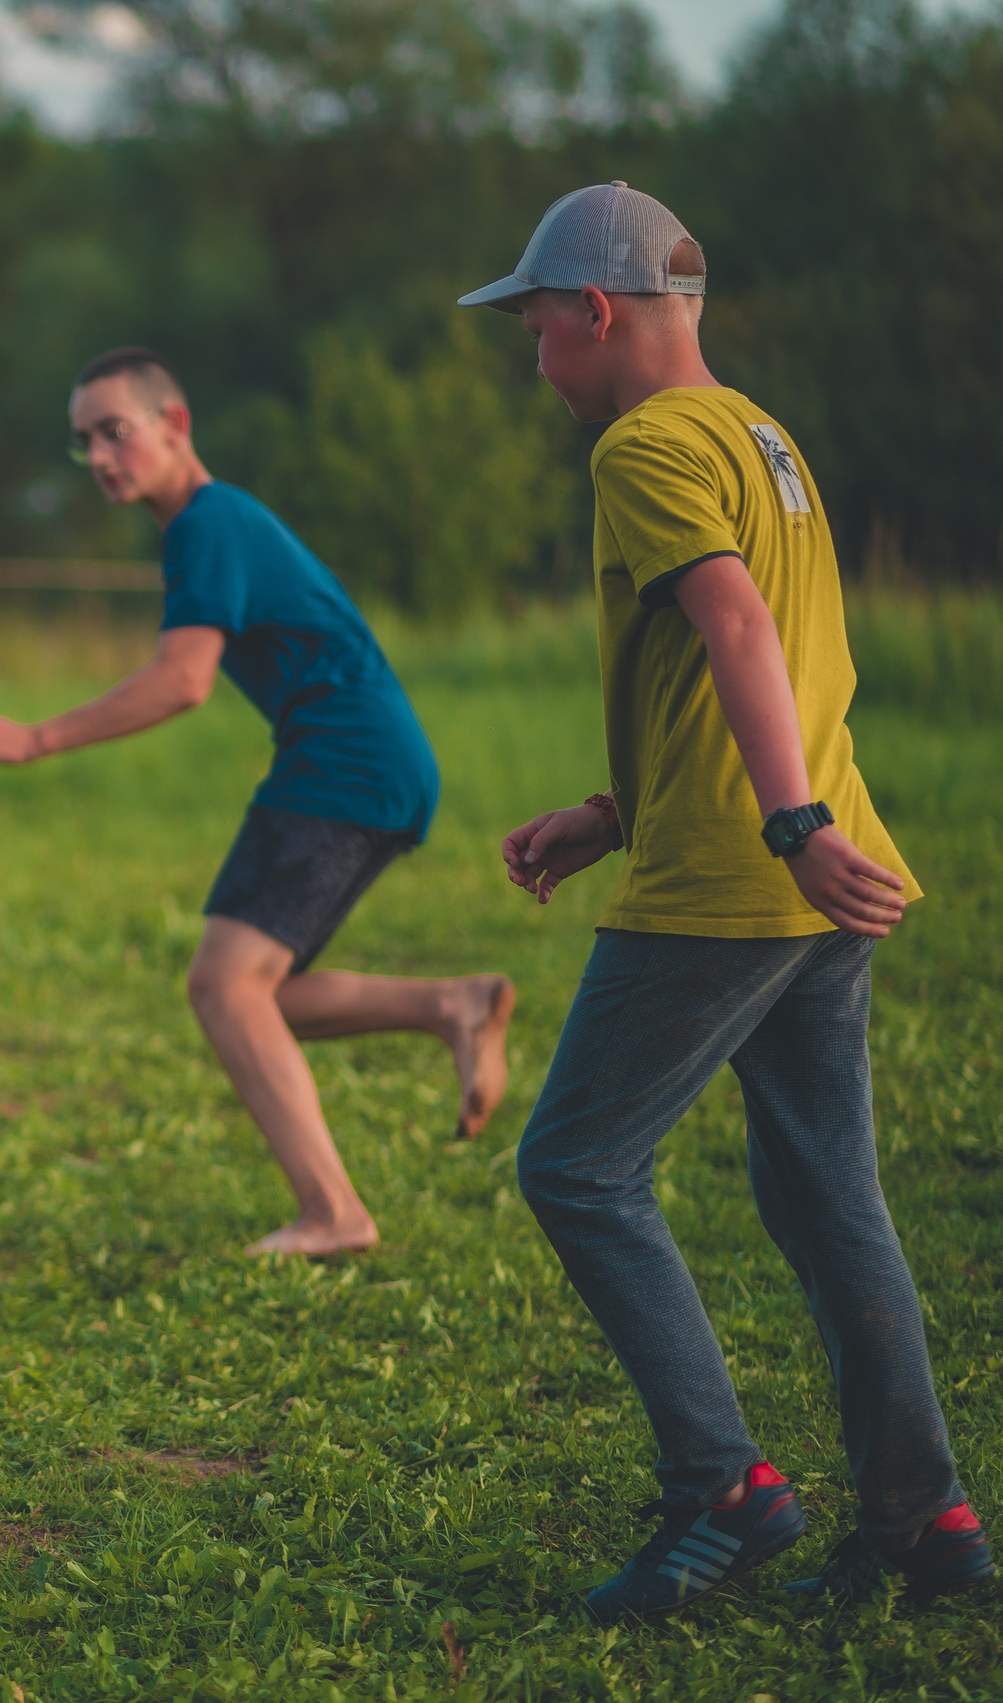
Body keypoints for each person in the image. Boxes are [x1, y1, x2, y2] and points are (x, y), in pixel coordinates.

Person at [468, 182, 989, 1619]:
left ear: (600, 312)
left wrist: (785, 821)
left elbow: (737, 623)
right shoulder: (760, 433)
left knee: (576, 1167)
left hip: (738, 875)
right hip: (807, 863)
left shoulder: (641, 445)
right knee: (826, 1192)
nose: (535, 360)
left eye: (535, 327)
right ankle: (927, 1514)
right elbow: (751, 663)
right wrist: (614, 809)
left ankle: (726, 1486)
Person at [0, 349, 515, 1258]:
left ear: (175, 425)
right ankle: (452, 1003)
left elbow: (183, 680)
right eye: (83, 442)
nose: (99, 457)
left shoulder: (206, 524)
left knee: (224, 984)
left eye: (115, 432)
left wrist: (35, 738)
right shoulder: (212, 521)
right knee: (254, 996)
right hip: (368, 763)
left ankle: (334, 1212)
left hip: (345, 763)